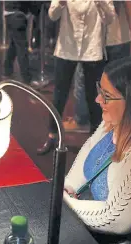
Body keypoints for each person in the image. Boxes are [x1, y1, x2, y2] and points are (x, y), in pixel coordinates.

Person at [63, 56, 131, 236]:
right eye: (100, 90)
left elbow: (114, 218)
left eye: (106, 96)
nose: (98, 100)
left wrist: (65, 203)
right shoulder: (111, 123)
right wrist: (67, 187)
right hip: (82, 221)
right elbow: (84, 161)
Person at [37, 0, 116, 155]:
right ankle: (52, 136)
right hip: (66, 48)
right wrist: (60, 3)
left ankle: (96, 140)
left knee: (94, 98)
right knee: (59, 96)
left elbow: (110, 18)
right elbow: (52, 15)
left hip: (92, 49)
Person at [64, 0, 131, 133]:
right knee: (85, 81)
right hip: (91, 39)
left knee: (116, 87)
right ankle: (84, 120)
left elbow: (129, 3)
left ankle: (116, 127)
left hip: (115, 38)